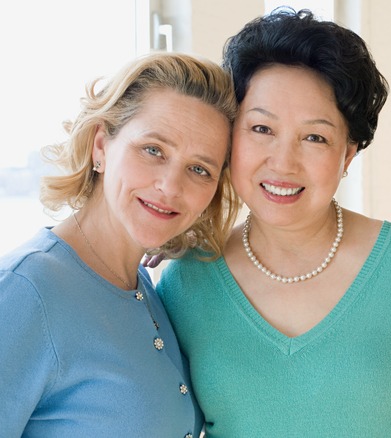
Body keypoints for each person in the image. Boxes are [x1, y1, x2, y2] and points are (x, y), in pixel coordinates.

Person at [156, 8, 391, 437]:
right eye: (261, 128)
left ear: (347, 155)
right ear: (231, 137)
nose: (283, 162)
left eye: (315, 137)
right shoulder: (186, 282)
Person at [0, 52, 237, 436]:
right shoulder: (24, 292)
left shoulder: (144, 289)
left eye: (199, 169)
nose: (171, 187)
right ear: (101, 146)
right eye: (153, 150)